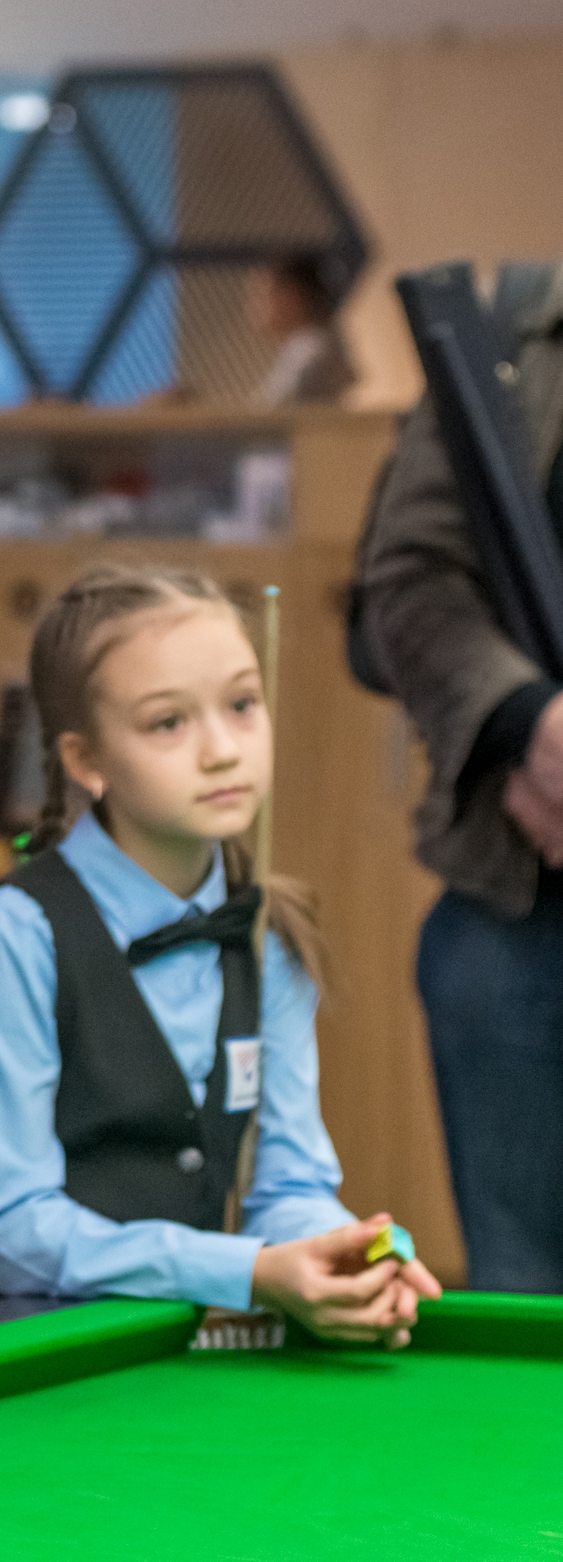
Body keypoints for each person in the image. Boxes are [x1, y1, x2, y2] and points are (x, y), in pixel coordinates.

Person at [0, 564, 440, 1342]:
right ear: (85, 760)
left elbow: (288, 1181)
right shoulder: (11, 934)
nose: (222, 750)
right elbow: (10, 1229)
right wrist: (247, 1269)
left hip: (173, 1355)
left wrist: (349, 1251)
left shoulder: (265, 936)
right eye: (168, 723)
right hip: (5, 1351)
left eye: (242, 704)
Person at [356, 269, 563, 1292]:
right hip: (518, 906)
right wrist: (530, 727)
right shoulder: (515, 327)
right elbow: (409, 579)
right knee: (524, 1292)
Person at [248, 254, 357, 406]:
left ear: (290, 296)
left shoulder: (315, 351)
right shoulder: (303, 344)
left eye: (262, 295)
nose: (253, 306)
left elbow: (278, 412)